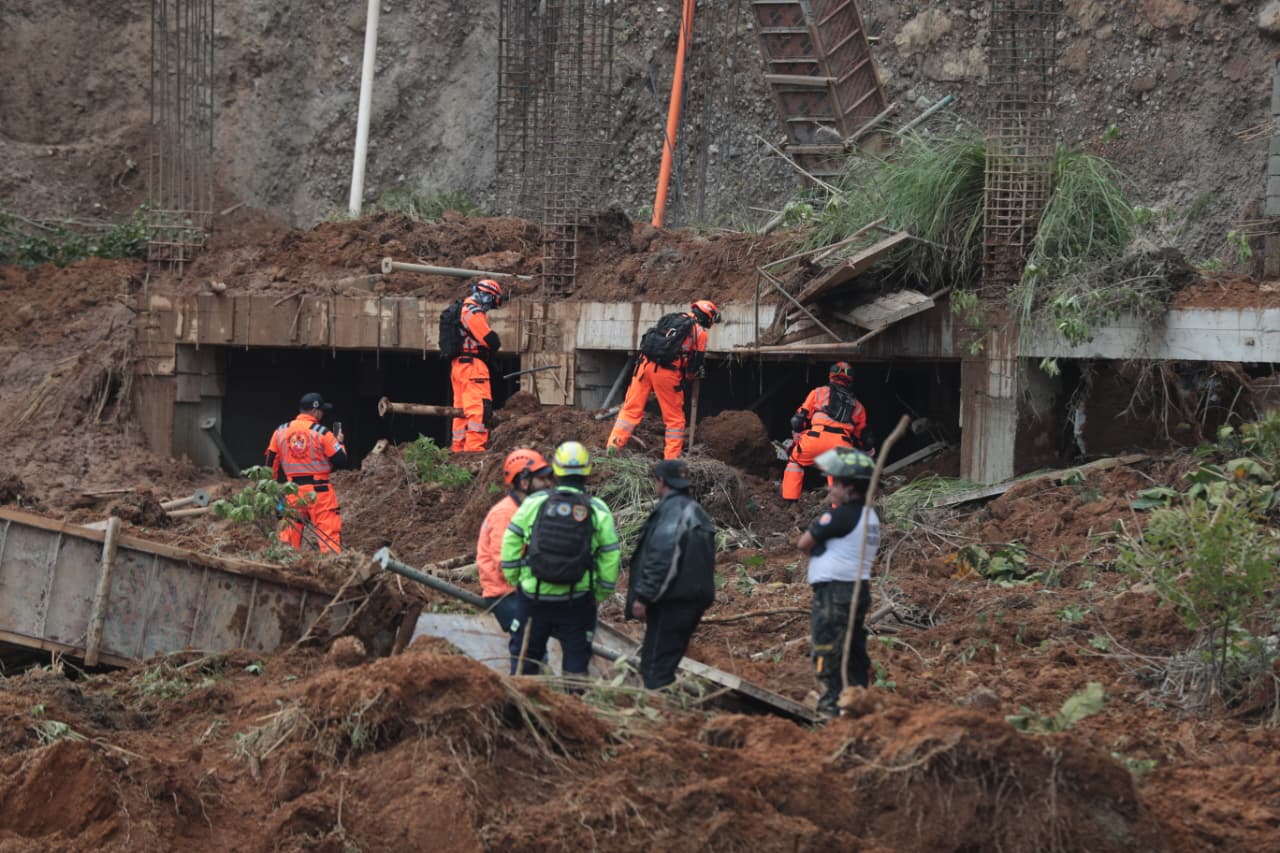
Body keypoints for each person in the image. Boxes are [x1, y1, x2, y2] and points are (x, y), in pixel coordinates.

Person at [500, 441, 621, 678]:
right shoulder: (598, 509)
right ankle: (572, 706)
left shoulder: (534, 503)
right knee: (576, 666)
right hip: (577, 600)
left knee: (526, 663)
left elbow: (511, 543)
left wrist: (517, 579)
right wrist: (599, 594)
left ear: (555, 470)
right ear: (587, 472)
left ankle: (523, 708)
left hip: (534, 598)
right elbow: (610, 555)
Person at [796, 447, 880, 717]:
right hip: (857, 589)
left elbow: (804, 543)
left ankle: (831, 704)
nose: (829, 488)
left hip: (835, 592)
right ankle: (856, 697)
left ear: (850, 487)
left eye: (835, 482)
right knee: (853, 646)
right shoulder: (871, 516)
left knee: (827, 645)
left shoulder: (840, 515)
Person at [625, 459, 717, 689]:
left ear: (662, 481)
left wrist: (644, 596)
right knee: (665, 661)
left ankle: (655, 715)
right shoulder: (695, 511)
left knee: (654, 667)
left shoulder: (673, 512)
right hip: (692, 600)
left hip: (673, 602)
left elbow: (663, 558)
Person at [607, 299, 719, 459]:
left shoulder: (671, 318)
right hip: (667, 373)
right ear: (709, 317)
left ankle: (612, 448)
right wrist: (690, 377)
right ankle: (670, 461)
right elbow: (695, 364)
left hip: (643, 365)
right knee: (675, 421)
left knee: (630, 411)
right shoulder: (699, 332)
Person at [476, 448, 555, 633]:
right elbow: (504, 564)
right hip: (505, 594)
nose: (548, 484)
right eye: (542, 479)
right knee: (531, 644)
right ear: (524, 482)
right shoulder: (505, 514)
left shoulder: (527, 509)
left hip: (524, 589)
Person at [265, 392, 348, 553]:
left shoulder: (280, 432)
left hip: (292, 493)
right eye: (322, 411)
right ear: (315, 411)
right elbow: (341, 461)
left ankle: (285, 571)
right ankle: (330, 571)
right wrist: (340, 443)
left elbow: (270, 463)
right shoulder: (323, 433)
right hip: (320, 494)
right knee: (329, 541)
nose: (322, 414)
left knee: (287, 543)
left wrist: (273, 492)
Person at [782, 361, 874, 501]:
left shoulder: (818, 393)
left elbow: (798, 420)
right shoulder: (858, 406)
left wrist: (796, 434)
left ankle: (790, 501)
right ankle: (837, 509)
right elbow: (864, 437)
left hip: (814, 439)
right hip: (841, 445)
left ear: (831, 375)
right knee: (837, 473)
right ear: (851, 380)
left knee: (795, 462)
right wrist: (869, 453)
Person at [450, 278, 505, 452]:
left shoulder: (460, 308)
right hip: (472, 367)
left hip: (459, 366)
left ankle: (458, 449)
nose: (490, 308)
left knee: (461, 411)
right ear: (488, 296)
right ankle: (474, 449)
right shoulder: (473, 311)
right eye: (492, 303)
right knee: (478, 409)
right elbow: (490, 340)